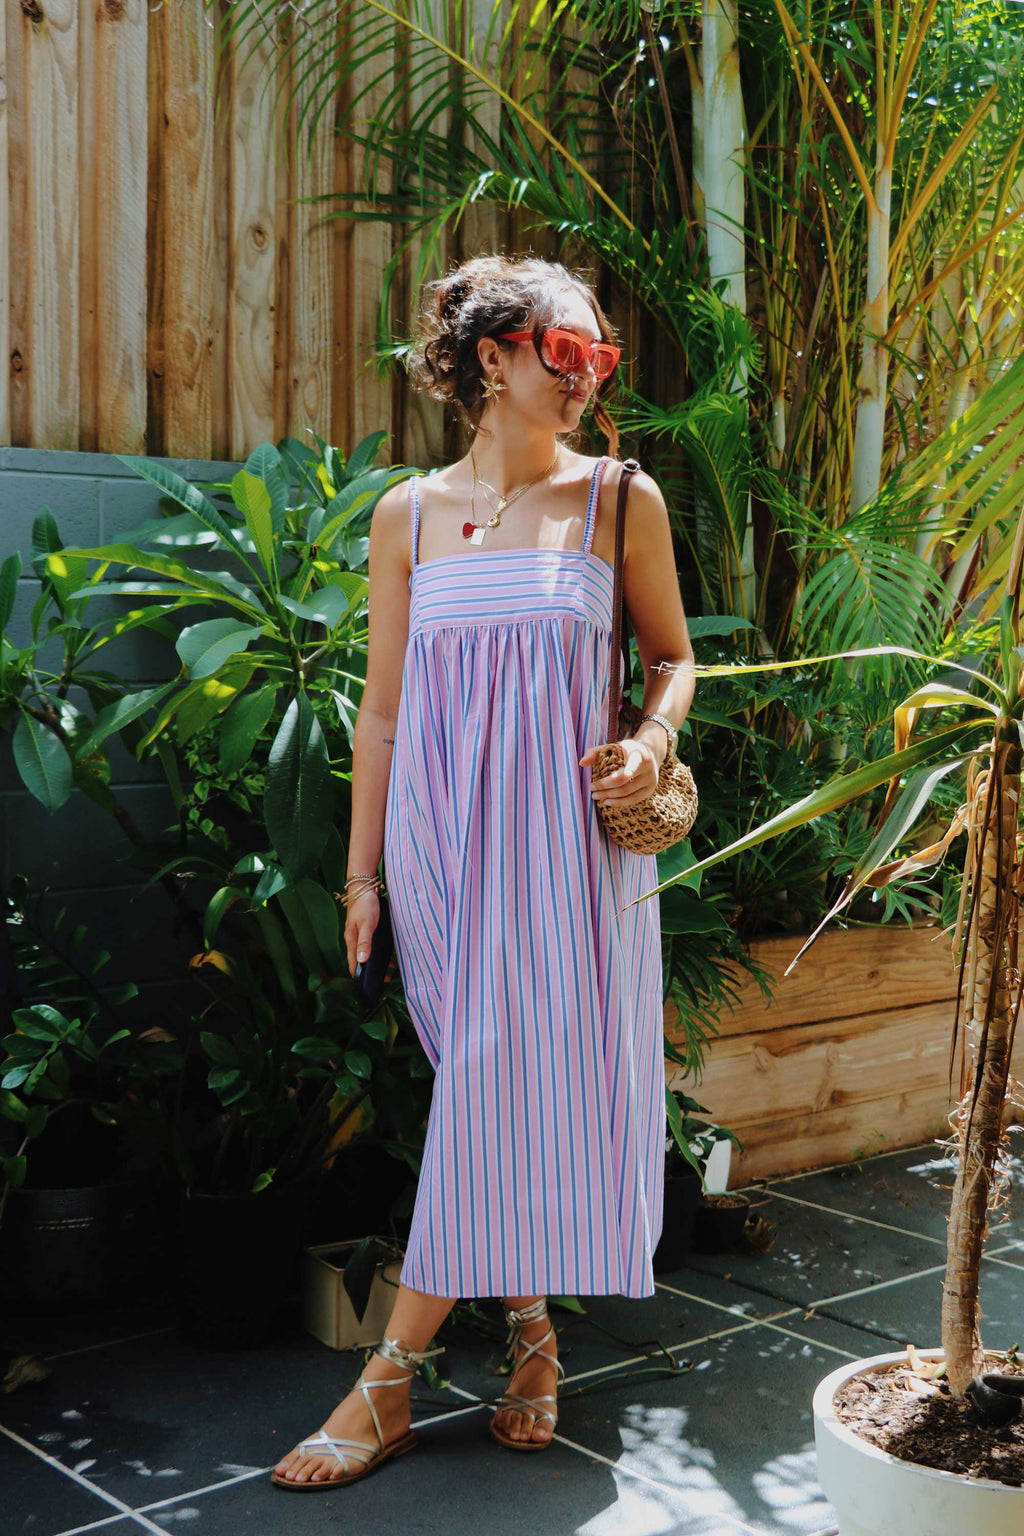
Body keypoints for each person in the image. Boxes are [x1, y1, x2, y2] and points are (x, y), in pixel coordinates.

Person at [272, 253, 695, 1491]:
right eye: (568, 352)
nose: (589, 377)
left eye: (599, 358)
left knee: (492, 1098)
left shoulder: (619, 499)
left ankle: (387, 1381)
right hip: (441, 850)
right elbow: (385, 719)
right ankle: (528, 1330)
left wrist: (653, 736)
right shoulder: (406, 514)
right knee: (485, 1092)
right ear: (495, 358)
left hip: (564, 851)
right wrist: (364, 881)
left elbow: (672, 656)